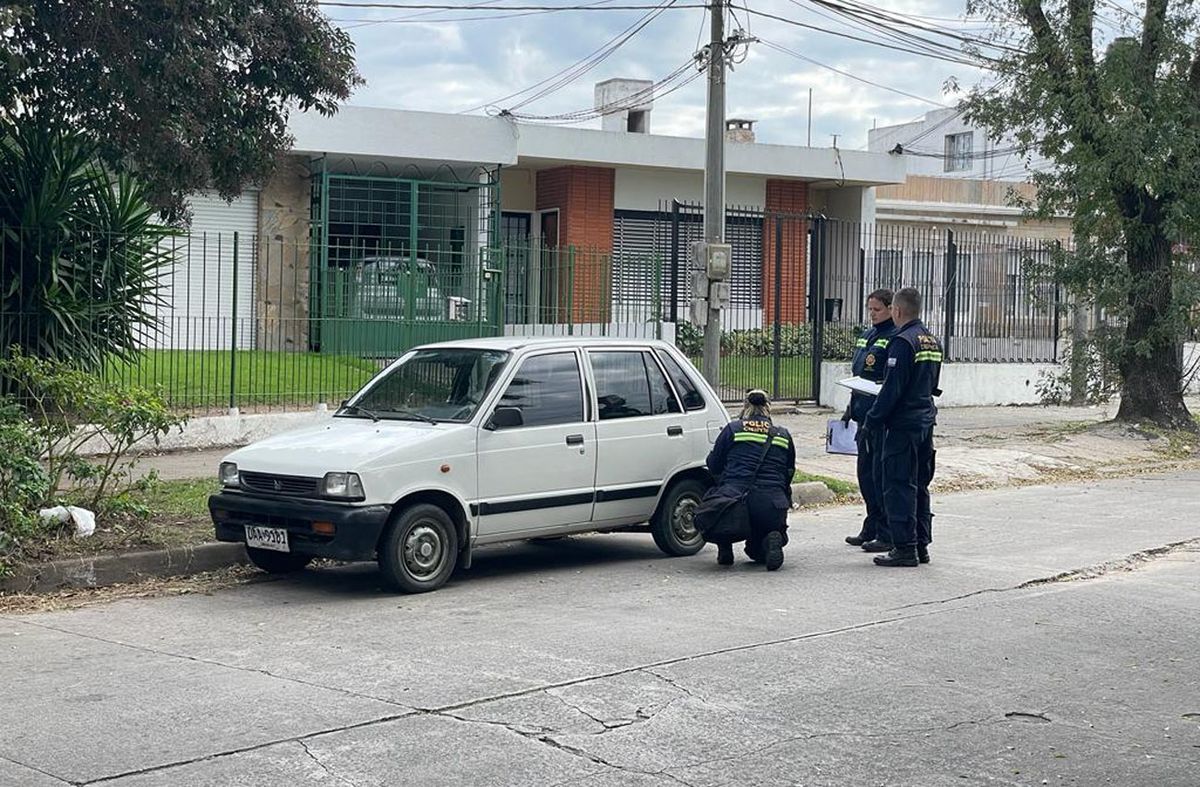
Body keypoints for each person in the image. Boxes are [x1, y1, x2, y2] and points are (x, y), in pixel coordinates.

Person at [863, 287, 942, 568]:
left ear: (896, 310)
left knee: (898, 484)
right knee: (920, 484)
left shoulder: (903, 341)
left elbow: (892, 390)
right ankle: (921, 544)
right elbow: (932, 385)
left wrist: (872, 421)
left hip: (903, 424)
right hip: (925, 422)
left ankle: (904, 548)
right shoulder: (932, 341)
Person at [705, 390, 797, 571]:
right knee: (756, 553)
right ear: (768, 407)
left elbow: (714, 465)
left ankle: (725, 546)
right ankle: (772, 535)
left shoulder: (733, 429)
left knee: (712, 509)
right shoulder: (783, 434)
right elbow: (789, 470)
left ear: (745, 406)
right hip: (772, 505)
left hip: (734, 501)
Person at [842, 288, 895, 551]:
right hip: (862, 412)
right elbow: (860, 374)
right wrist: (850, 407)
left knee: (879, 476)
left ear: (890, 308)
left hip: (881, 418)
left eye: (877, 310)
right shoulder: (867, 336)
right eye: (870, 310)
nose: (872, 315)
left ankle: (885, 529)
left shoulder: (895, 336)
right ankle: (870, 525)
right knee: (865, 475)